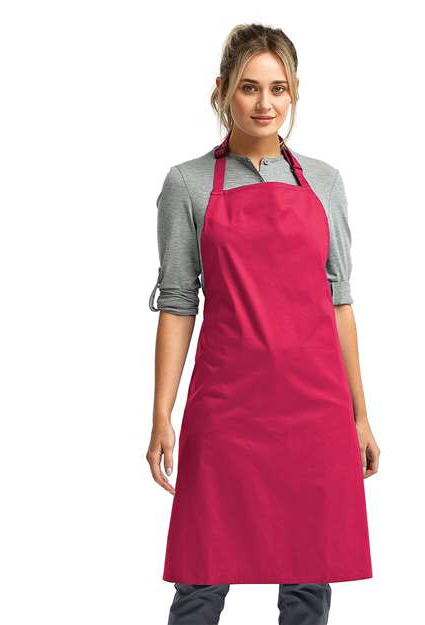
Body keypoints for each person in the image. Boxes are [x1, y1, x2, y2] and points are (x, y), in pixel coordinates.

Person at [146, 23, 380, 625]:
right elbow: (179, 303)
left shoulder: (323, 182)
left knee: (308, 584)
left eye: (278, 88)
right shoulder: (187, 183)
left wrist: (359, 414)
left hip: (314, 409)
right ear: (223, 89)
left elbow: (340, 302)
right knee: (201, 581)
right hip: (227, 409)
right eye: (249, 87)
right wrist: (162, 415)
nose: (265, 103)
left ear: (294, 91)